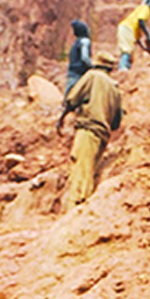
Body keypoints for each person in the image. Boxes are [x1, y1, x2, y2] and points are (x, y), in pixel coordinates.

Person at [57, 51, 122, 206]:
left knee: (81, 168)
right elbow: (116, 122)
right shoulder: (115, 88)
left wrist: (63, 116)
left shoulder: (92, 76)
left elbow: (72, 98)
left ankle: (77, 207)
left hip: (88, 128)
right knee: (90, 169)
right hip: (103, 134)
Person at [117, 0, 150, 70]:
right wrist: (148, 35)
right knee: (127, 50)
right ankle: (123, 67)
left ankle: (125, 66)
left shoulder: (140, 10)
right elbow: (141, 21)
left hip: (126, 28)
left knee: (129, 51)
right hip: (127, 28)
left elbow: (137, 39)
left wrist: (144, 47)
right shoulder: (145, 8)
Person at [63, 20, 92, 97]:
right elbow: (85, 57)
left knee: (69, 90)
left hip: (72, 70)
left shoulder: (76, 42)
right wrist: (90, 66)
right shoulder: (85, 41)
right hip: (80, 71)